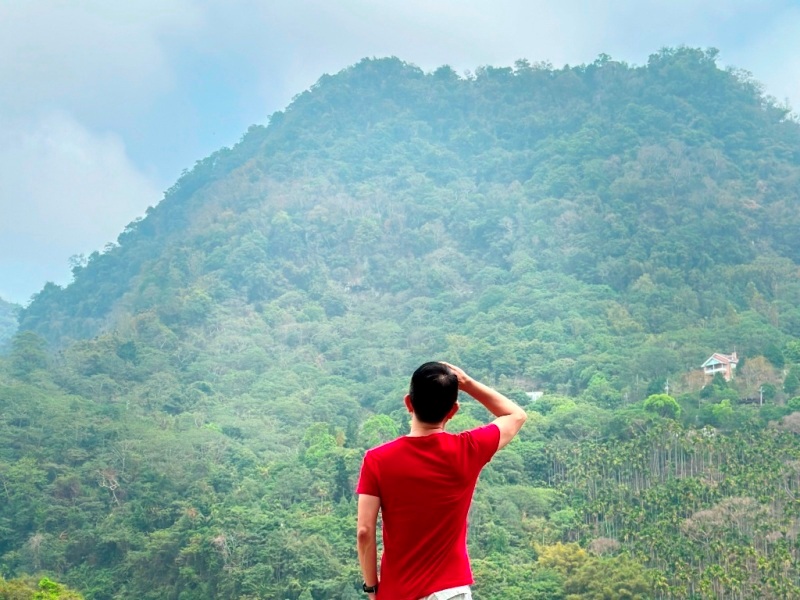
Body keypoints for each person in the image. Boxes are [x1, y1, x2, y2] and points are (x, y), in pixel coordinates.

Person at [356, 361, 527, 600]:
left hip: (399, 593)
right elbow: (516, 415)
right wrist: (467, 384)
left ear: (408, 403)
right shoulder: (469, 449)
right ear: (453, 411)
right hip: (452, 592)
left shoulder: (377, 460)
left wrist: (371, 588)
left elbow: (364, 531)